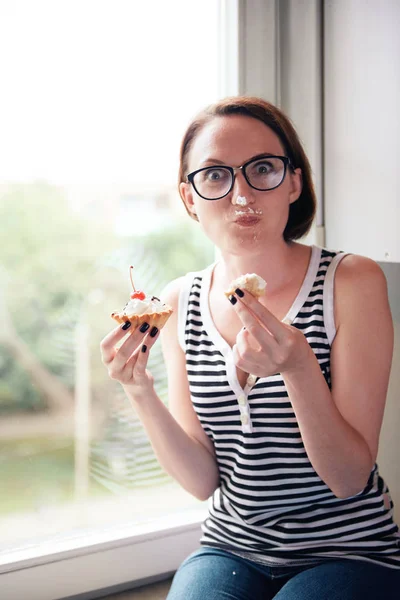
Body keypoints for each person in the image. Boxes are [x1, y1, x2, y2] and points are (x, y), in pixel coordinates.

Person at [100, 96, 400, 599]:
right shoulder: (180, 301)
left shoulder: (351, 281)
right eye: (215, 175)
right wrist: (139, 392)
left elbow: (349, 478)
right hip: (230, 548)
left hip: (350, 551)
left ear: (294, 183)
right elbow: (201, 481)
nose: (241, 193)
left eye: (263, 168)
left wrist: (300, 367)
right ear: (190, 198)